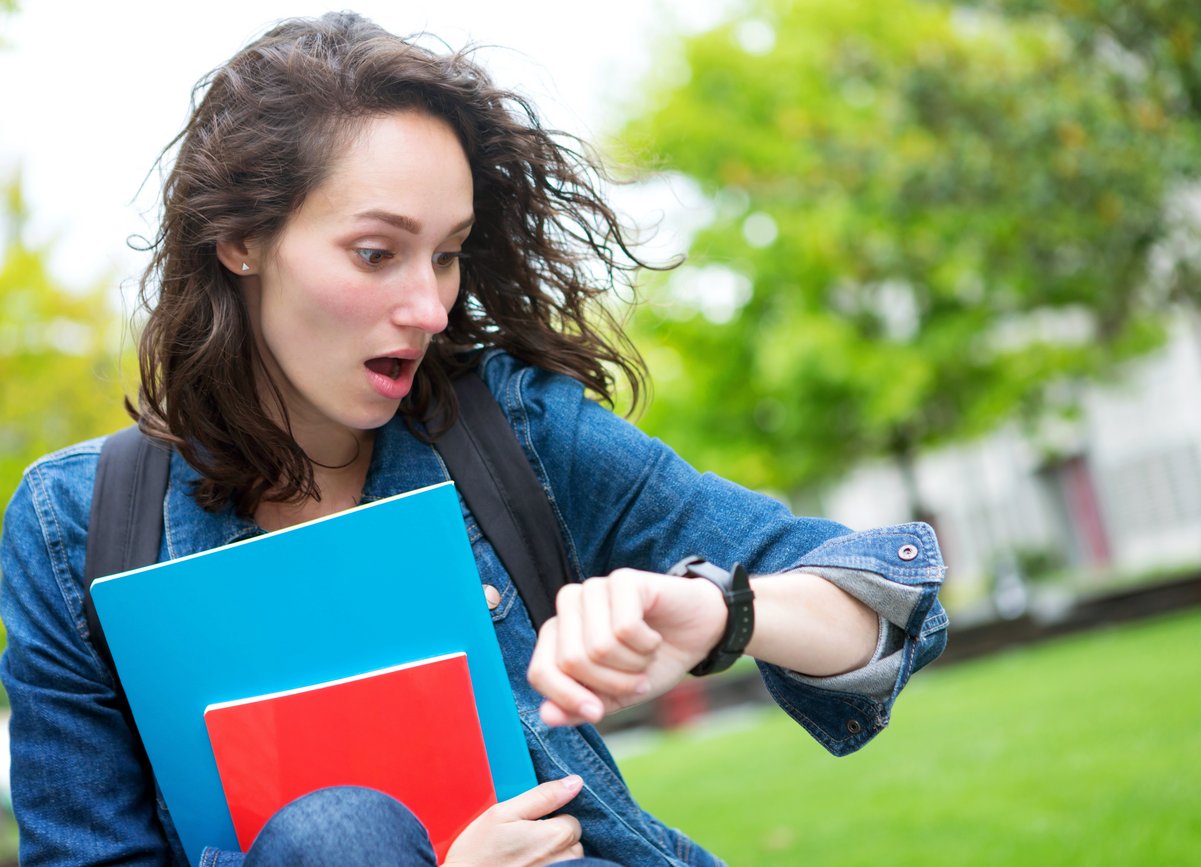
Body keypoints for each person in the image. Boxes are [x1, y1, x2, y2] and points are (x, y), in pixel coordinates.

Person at [0, 11, 948, 867]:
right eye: (377, 253)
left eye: (447, 253)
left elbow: (879, 601)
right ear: (239, 241)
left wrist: (721, 612)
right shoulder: (75, 526)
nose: (429, 307)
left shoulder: (512, 428)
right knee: (333, 837)